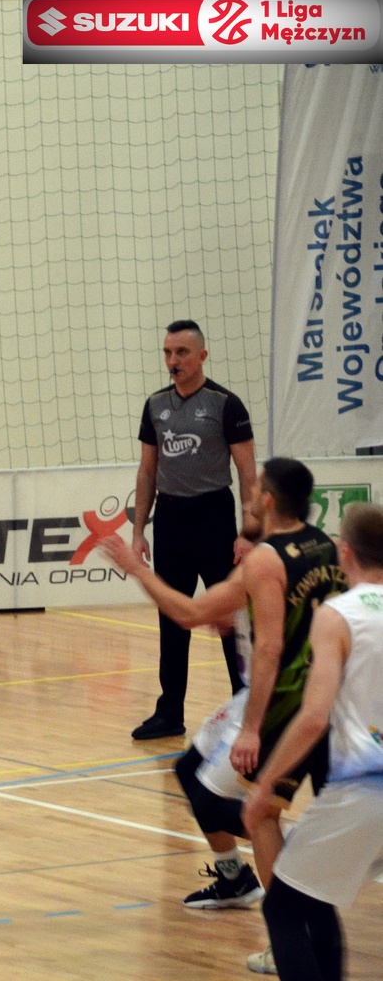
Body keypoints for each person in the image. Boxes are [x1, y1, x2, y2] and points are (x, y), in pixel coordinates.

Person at [101, 458, 344, 972]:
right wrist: (240, 612)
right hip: (325, 697)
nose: (248, 493)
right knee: (192, 773)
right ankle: (247, 878)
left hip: (282, 703)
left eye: (255, 488)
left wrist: (136, 568)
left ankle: (289, 927)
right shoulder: (324, 544)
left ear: (269, 500)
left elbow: (200, 618)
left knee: (251, 811)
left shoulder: (264, 561)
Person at [243, 502, 383, 981]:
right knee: (315, 899)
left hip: (364, 788)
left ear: (345, 553)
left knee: (283, 910)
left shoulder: (339, 615)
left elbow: (313, 718)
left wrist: (265, 786)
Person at [129, 319, 257, 740]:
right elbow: (147, 471)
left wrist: (248, 532)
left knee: (230, 616)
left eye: (182, 352)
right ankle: (170, 712)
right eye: (168, 352)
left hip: (214, 517)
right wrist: (139, 531)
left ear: (202, 355)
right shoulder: (155, 405)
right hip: (170, 519)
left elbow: (248, 474)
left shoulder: (226, 404)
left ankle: (247, 706)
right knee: (172, 615)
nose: (173, 360)